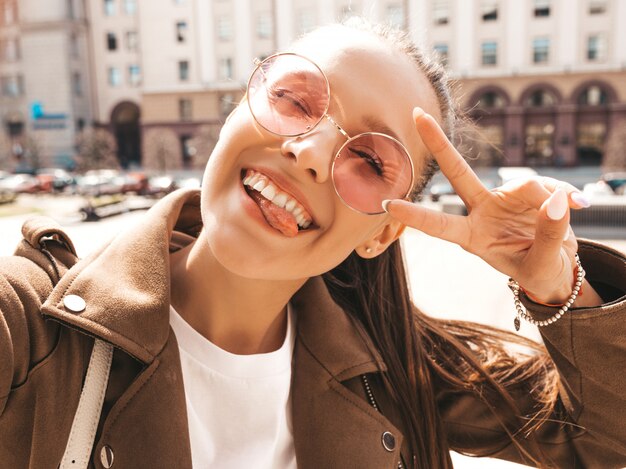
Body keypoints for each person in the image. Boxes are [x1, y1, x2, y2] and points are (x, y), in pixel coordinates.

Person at [1, 18, 625, 469]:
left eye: (373, 162)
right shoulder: (32, 331)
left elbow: (606, 442)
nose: (310, 153)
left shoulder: (398, 374)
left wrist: (556, 285)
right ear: (235, 113)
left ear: (383, 232)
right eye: (296, 101)